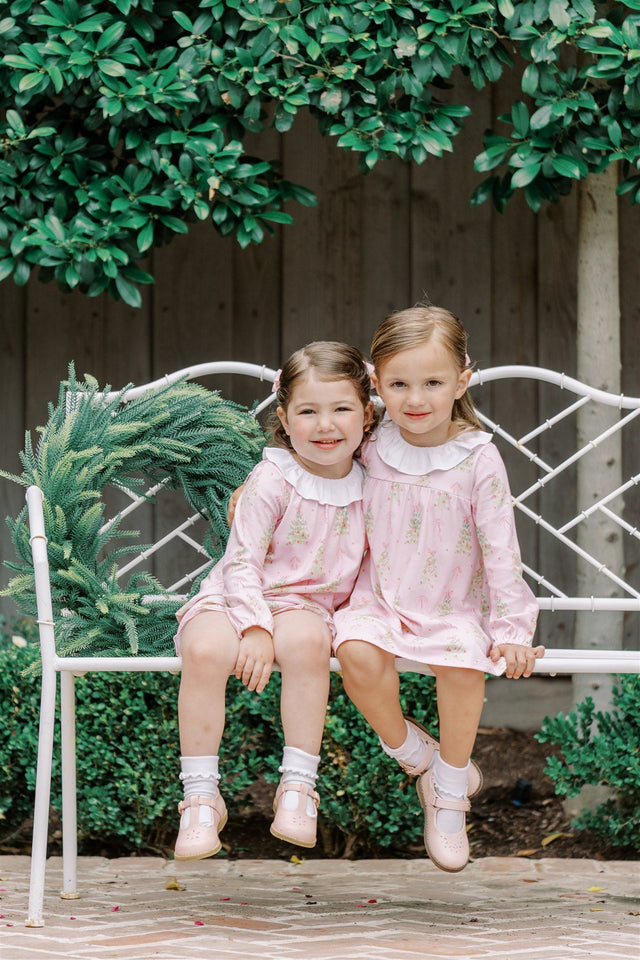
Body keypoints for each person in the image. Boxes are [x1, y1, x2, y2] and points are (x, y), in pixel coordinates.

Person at [332, 305, 545, 873]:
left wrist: (511, 630)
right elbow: (310, 464)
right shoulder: (368, 445)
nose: (415, 398)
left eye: (432, 382)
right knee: (353, 650)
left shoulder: (477, 457)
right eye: (398, 383)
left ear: (462, 381)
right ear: (376, 384)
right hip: (379, 600)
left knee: (463, 663)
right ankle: (414, 753)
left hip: (452, 605)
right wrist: (257, 489)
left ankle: (449, 789)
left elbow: (502, 551)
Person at [173, 341, 374, 860]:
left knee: (308, 644)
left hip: (305, 608)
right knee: (204, 651)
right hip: (237, 595)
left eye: (341, 409)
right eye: (307, 411)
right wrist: (256, 627)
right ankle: (200, 797)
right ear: (284, 419)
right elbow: (241, 559)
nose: (325, 425)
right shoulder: (273, 478)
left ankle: (299, 786)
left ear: (368, 414)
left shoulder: (376, 482)